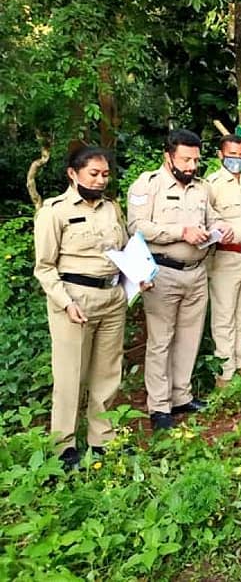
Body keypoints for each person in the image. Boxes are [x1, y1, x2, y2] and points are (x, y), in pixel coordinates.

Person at [127, 129, 234, 431]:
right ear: (168, 156)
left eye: (196, 160)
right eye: (185, 159)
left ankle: (181, 396)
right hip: (163, 273)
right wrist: (181, 232)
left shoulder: (201, 188)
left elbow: (211, 217)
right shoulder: (148, 185)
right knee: (161, 340)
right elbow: (136, 226)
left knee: (190, 338)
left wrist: (221, 227)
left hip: (196, 272)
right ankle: (159, 406)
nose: (191, 166)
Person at [34, 146, 130, 468]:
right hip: (75, 300)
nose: (101, 180)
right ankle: (64, 448)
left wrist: (139, 275)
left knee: (107, 372)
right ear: (72, 174)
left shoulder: (111, 209)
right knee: (70, 375)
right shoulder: (54, 211)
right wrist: (65, 303)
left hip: (112, 298)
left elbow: (126, 249)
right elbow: (44, 268)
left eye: (105, 174)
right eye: (94, 174)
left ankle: (102, 440)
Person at [206, 134, 241, 388]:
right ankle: (225, 373)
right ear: (221, 155)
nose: (237, 160)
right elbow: (205, 220)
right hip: (225, 257)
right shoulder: (212, 184)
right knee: (224, 315)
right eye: (232, 155)